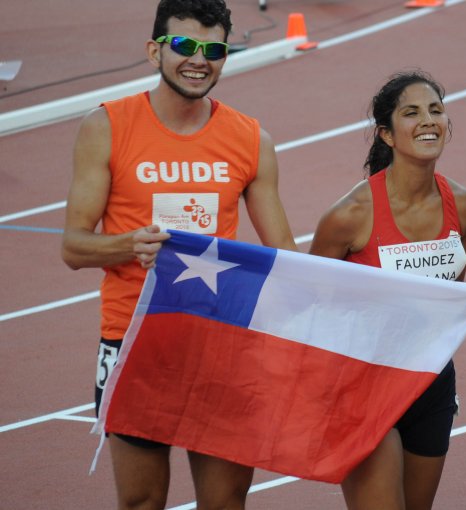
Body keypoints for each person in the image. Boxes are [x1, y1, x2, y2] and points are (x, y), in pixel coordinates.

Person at [60, 0, 297, 508]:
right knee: (142, 502)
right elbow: (73, 247)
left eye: (214, 49)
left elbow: (285, 256)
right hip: (137, 340)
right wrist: (129, 244)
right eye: (185, 45)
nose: (200, 59)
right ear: (154, 51)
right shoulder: (106, 126)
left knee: (226, 500)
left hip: (221, 340)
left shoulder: (251, 139)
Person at [308, 70, 466, 510]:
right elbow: (310, 303)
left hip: (429, 382)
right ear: (387, 134)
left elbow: (446, 295)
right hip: (363, 385)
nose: (428, 120)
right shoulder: (350, 216)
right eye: (411, 113)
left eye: (436, 110)